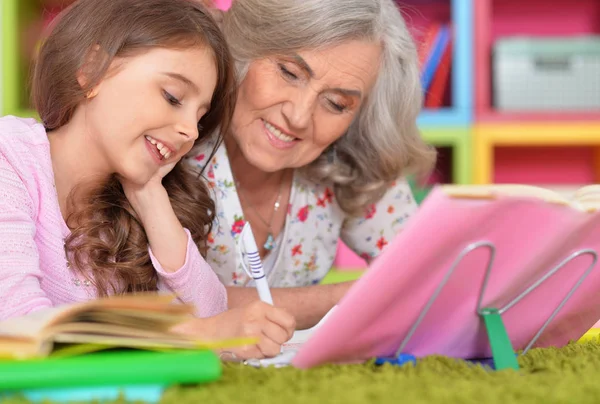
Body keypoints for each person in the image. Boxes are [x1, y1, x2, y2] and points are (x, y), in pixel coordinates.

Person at [0, 0, 295, 360]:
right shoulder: (8, 156)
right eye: (173, 97)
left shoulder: (124, 207)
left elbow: (212, 316)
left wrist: (149, 196)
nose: (189, 131)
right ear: (92, 69)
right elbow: (16, 329)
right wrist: (199, 336)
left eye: (199, 118)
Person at [188, 0, 437, 330]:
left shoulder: (345, 159)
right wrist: (351, 298)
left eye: (336, 104)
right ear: (242, 47)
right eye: (289, 73)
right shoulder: (173, 144)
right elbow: (164, 303)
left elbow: (430, 279)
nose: (299, 116)